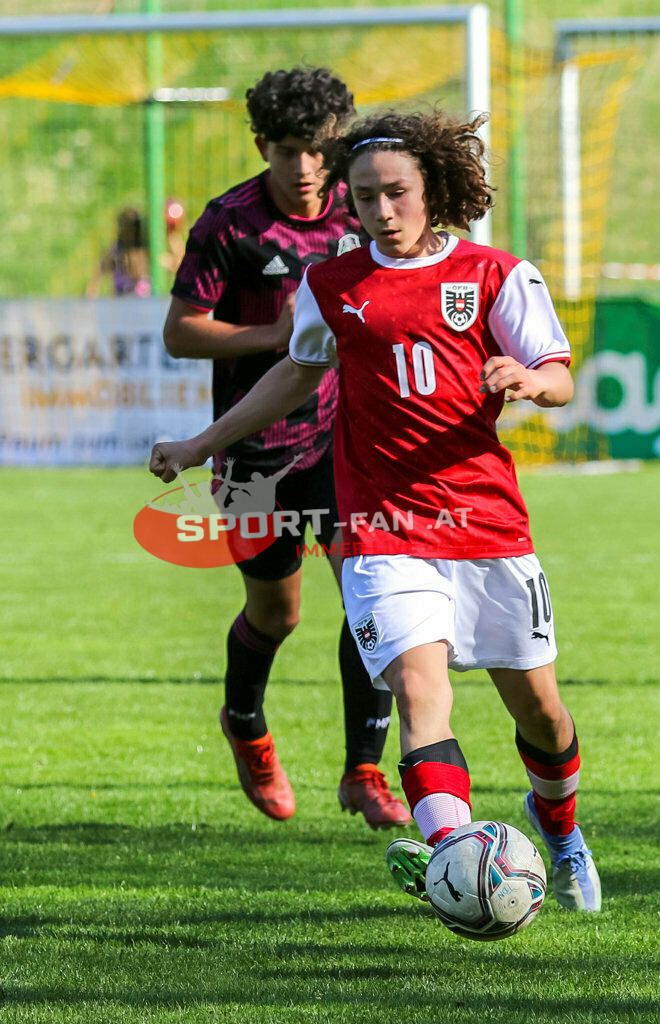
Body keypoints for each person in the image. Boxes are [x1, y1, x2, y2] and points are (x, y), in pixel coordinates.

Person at [150, 108, 601, 912]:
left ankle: (558, 828)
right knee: (421, 695)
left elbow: (559, 375)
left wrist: (531, 383)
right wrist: (200, 443)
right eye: (364, 199)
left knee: (540, 711)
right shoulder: (334, 283)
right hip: (380, 528)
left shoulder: (498, 275)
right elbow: (295, 374)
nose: (382, 212)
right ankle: (457, 864)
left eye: (396, 193)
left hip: (486, 525)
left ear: (434, 188)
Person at [161, 68, 409, 829]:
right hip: (254, 449)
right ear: (261, 145)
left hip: (347, 441)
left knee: (371, 599)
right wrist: (276, 335)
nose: (305, 168)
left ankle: (364, 769)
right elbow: (179, 332)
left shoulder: (365, 205)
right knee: (276, 615)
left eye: (317, 150)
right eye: (287, 151)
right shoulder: (228, 223)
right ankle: (246, 725)